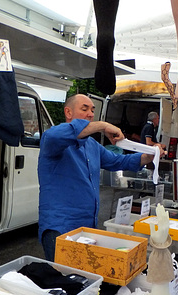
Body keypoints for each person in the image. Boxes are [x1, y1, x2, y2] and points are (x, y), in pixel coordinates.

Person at [38, 94, 163, 261]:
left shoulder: (91, 145)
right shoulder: (53, 139)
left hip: (87, 228)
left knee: (83, 279)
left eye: (92, 110)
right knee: (63, 280)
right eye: (85, 109)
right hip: (60, 228)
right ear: (68, 112)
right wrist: (103, 126)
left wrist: (148, 156)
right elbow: (56, 135)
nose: (90, 114)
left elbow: (119, 161)